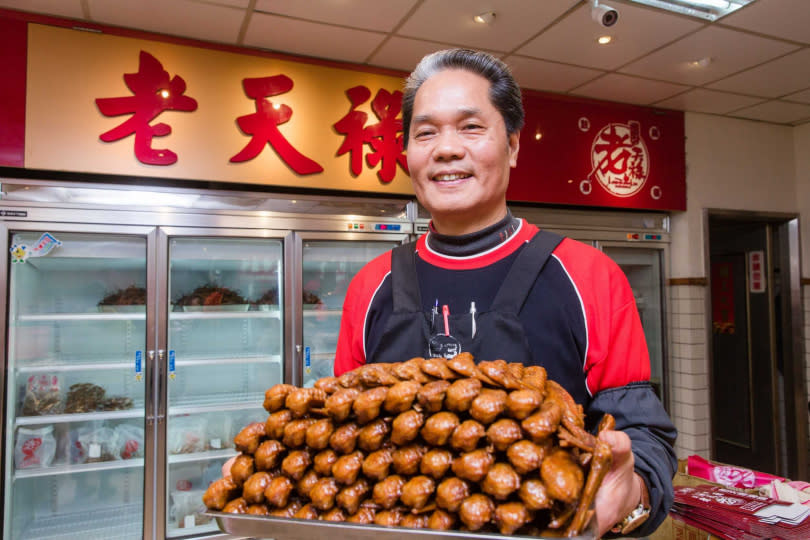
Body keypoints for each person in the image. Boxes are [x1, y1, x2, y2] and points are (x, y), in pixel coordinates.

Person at [333, 48, 677, 537]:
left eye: (471, 127)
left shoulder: (590, 276)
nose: (446, 149)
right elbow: (340, 437)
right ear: (407, 153)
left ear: (513, 146)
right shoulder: (370, 287)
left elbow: (646, 441)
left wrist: (632, 492)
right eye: (426, 132)